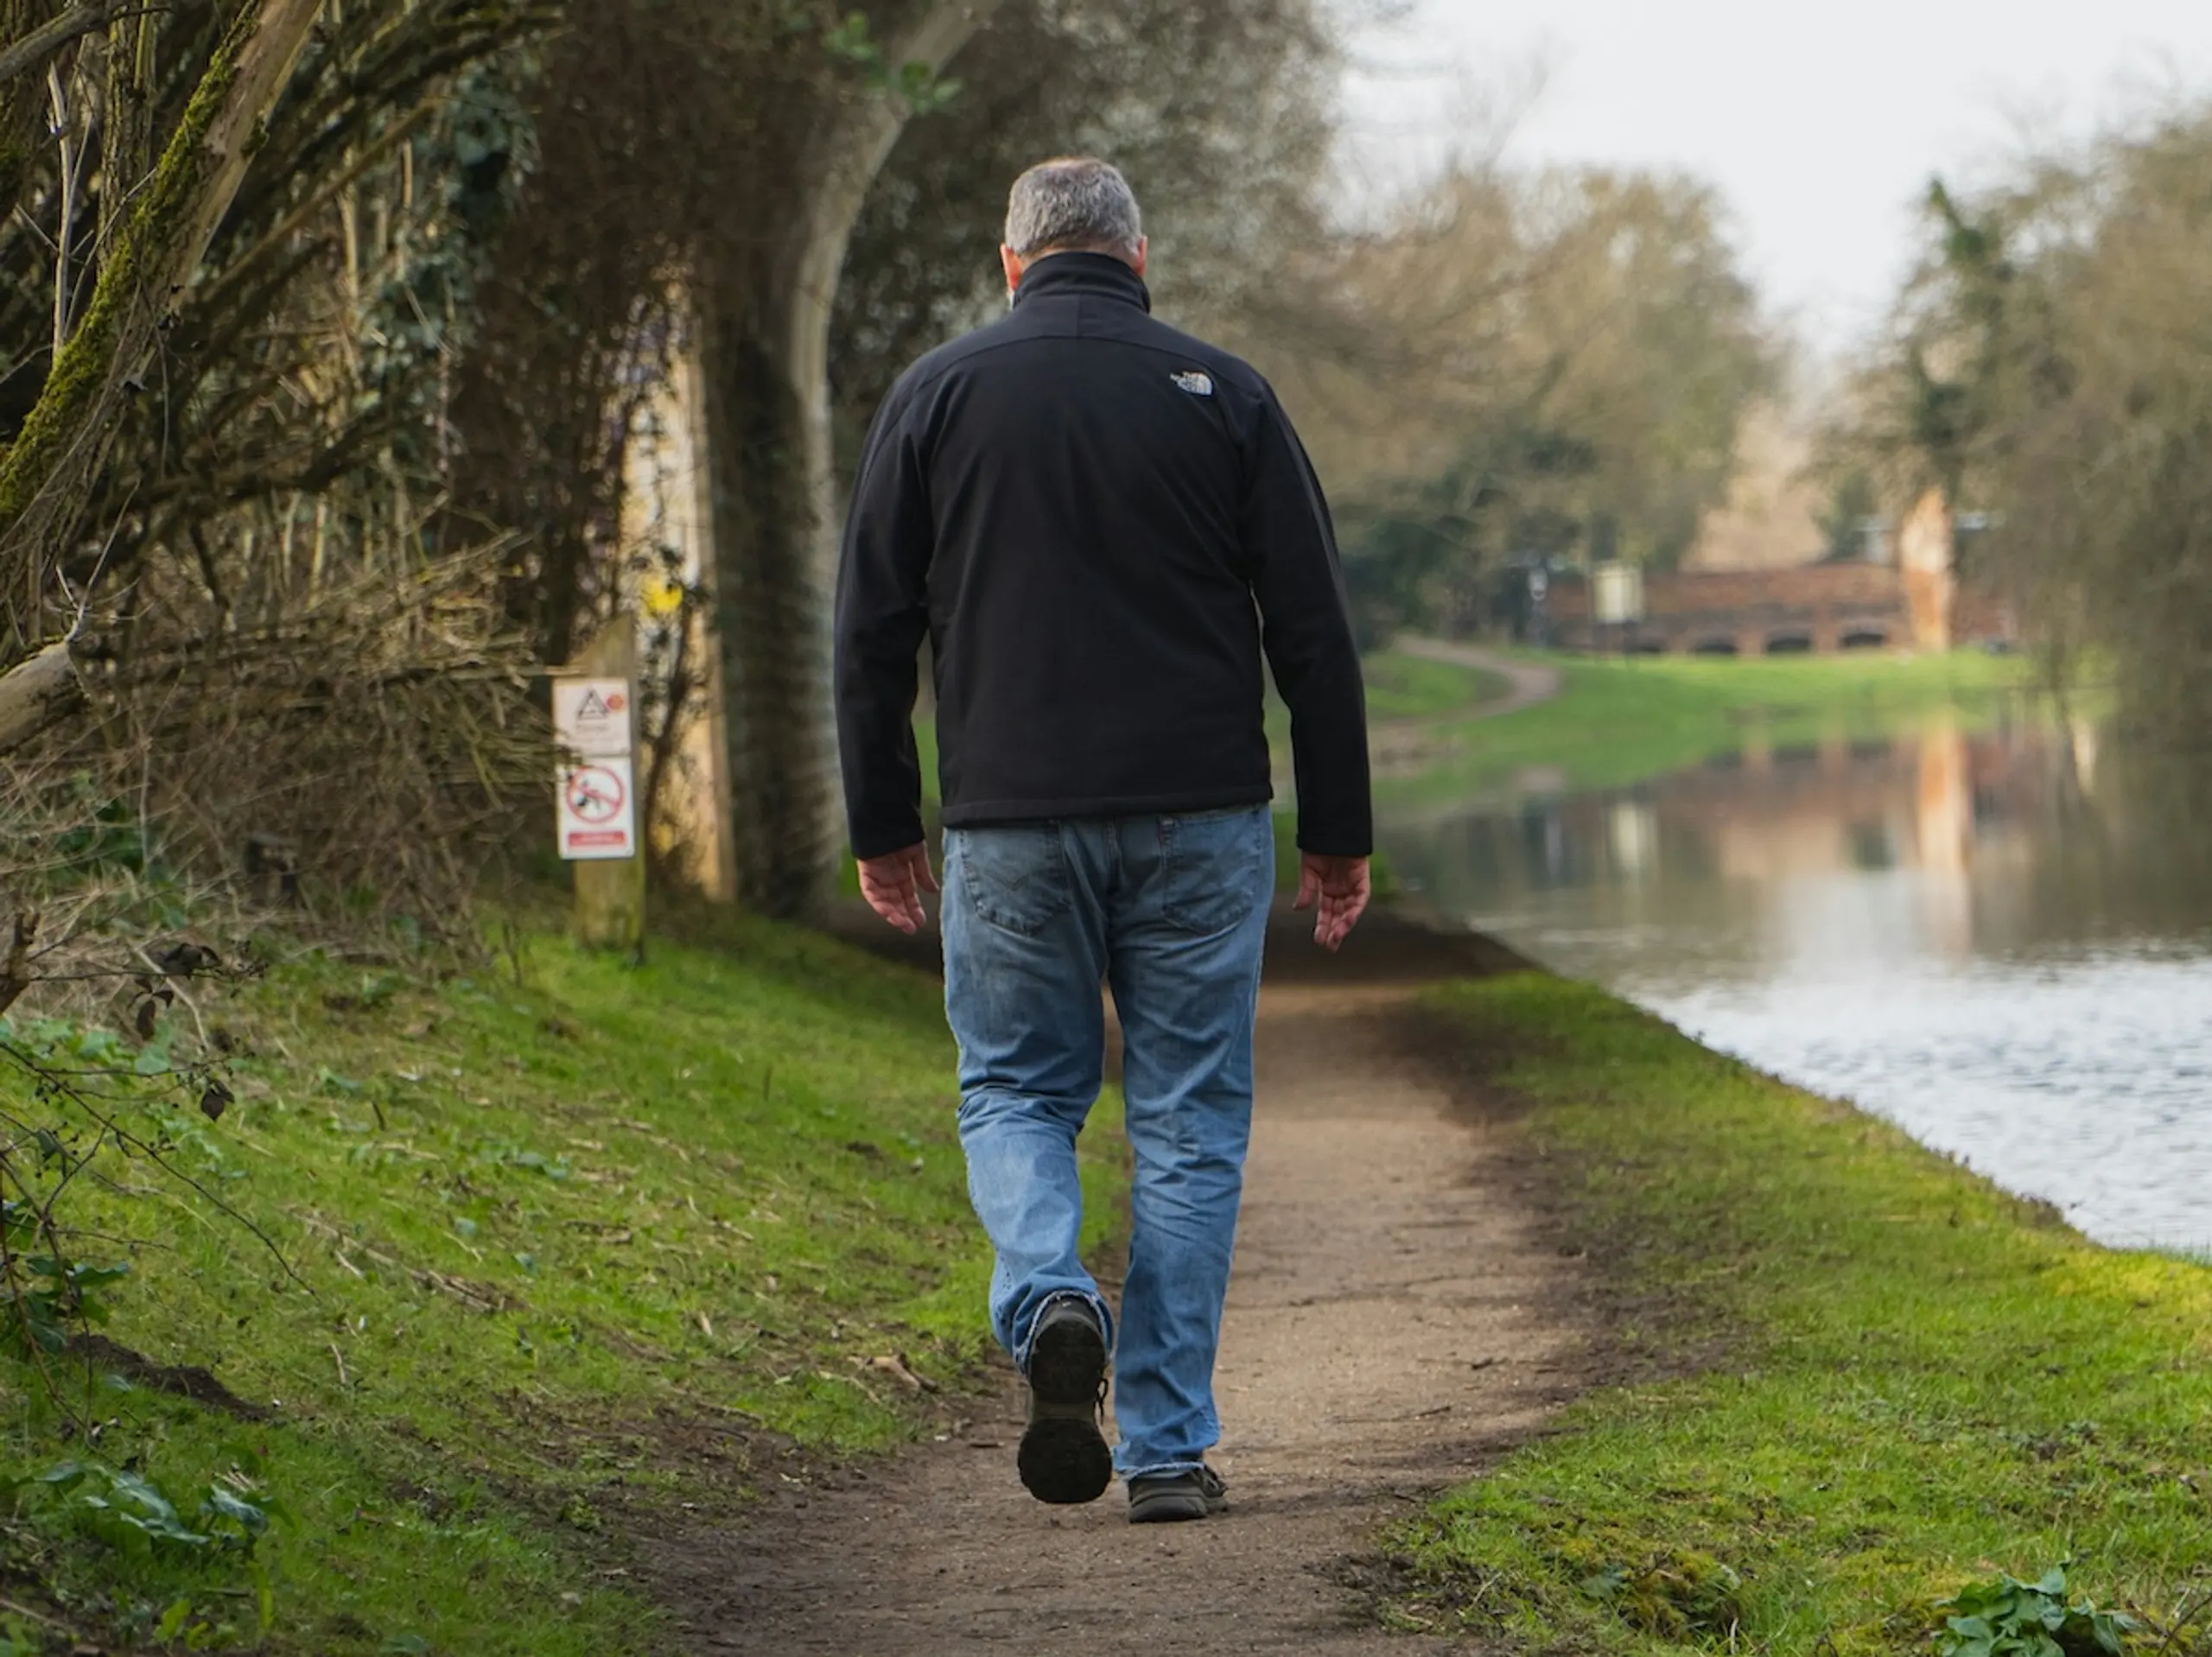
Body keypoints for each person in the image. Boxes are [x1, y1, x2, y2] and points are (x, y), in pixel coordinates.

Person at [834, 157, 1372, 1524]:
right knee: (1190, 1120)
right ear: (1140, 260)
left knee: (1016, 1090)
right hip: (1202, 817)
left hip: (1009, 821)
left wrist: (885, 821)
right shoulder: (1227, 394)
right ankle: (1171, 1445)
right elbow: (1313, 635)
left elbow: (870, 631)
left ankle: (1051, 1295)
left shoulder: (936, 396)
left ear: (1010, 264)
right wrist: (1340, 831)